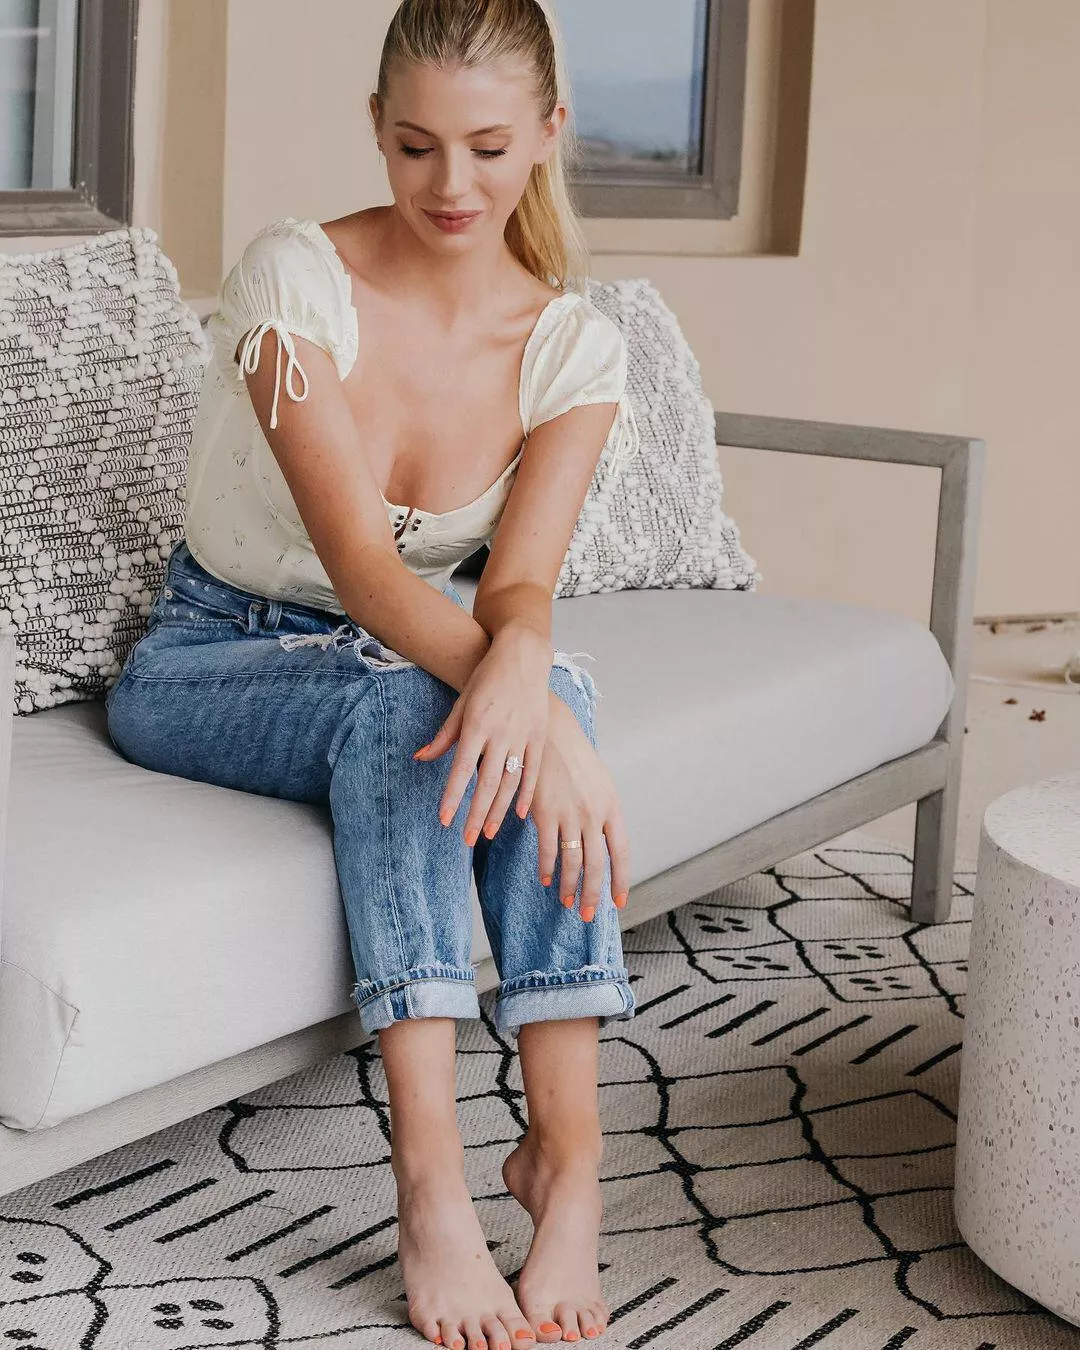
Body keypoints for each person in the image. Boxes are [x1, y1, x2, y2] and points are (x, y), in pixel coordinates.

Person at [106, 1, 643, 1346]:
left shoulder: (572, 347)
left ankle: (567, 1158)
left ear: (548, 135)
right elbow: (359, 566)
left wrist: (542, 692)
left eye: (487, 148)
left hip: (391, 652)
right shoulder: (298, 279)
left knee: (542, 693)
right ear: (376, 129)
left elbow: (517, 590)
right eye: (415, 146)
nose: (449, 185)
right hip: (210, 652)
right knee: (458, 708)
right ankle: (430, 1190)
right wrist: (538, 715)